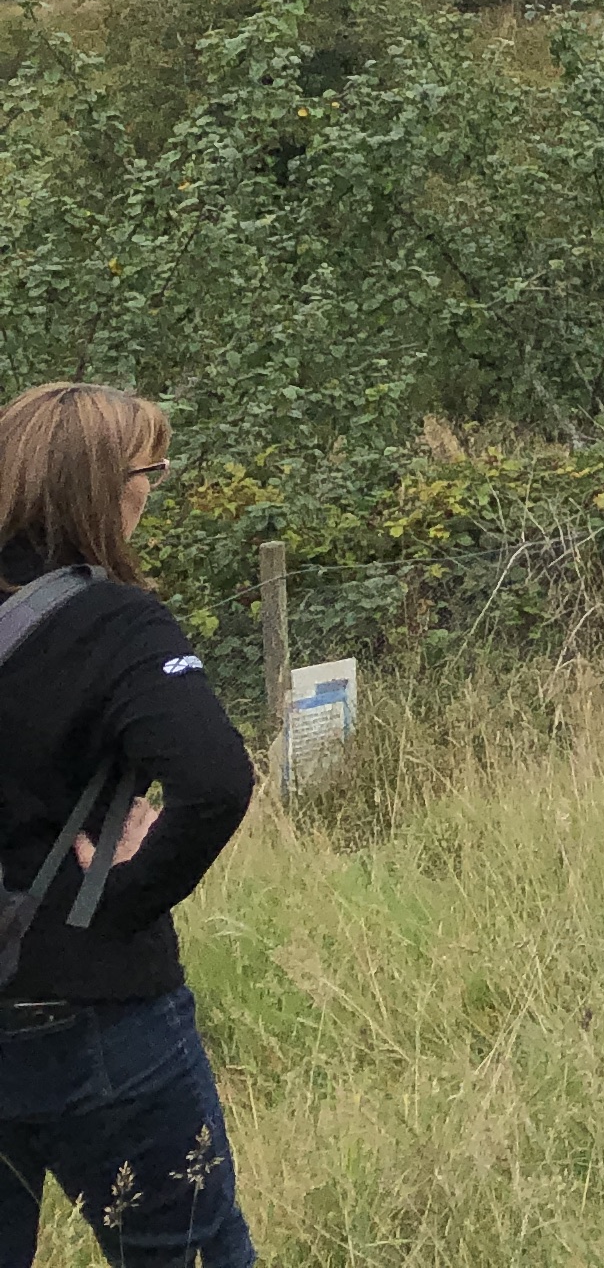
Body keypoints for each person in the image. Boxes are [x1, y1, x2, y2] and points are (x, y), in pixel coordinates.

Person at [0, 384, 259, 1268]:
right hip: (98, 1014)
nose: (153, 491)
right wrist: (116, 901)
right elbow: (217, 781)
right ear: (107, 489)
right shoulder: (117, 624)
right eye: (152, 471)